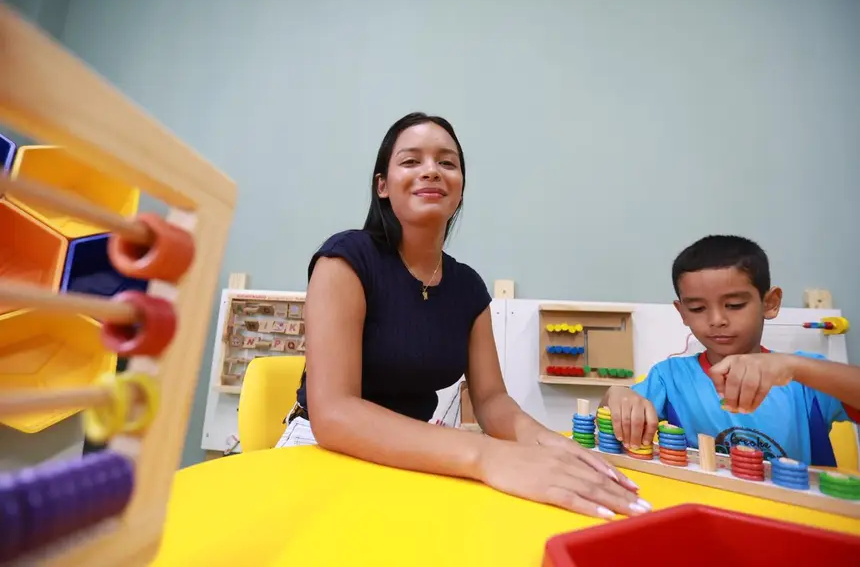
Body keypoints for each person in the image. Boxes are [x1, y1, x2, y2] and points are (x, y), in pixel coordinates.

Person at [276, 112, 649, 519]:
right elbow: (334, 413)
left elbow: (491, 400)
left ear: (460, 189)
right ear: (382, 186)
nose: (431, 171)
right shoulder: (346, 258)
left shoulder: (468, 286)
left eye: (447, 163)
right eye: (411, 161)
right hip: (320, 447)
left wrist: (543, 441)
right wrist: (486, 455)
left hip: (415, 454)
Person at [600, 235, 860, 465]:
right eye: (698, 309)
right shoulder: (669, 378)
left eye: (734, 305)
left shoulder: (804, 379)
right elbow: (611, 415)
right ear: (682, 313)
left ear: (769, 303)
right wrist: (615, 395)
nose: (716, 320)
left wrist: (796, 367)